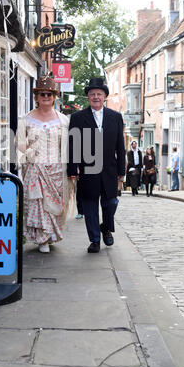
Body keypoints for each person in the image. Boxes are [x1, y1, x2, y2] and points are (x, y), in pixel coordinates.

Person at [67, 77, 125, 253]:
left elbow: (120, 147)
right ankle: (94, 240)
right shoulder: (77, 118)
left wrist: (121, 172)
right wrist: (72, 168)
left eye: (99, 94)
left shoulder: (115, 117)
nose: (96, 97)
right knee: (90, 206)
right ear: (88, 97)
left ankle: (106, 227)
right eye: (92, 94)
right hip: (87, 169)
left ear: (105, 96)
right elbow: (73, 144)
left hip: (109, 169)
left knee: (112, 203)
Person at [16, 75, 72, 253]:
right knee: (38, 204)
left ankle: (51, 235)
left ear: (54, 96)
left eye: (49, 94)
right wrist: (30, 153)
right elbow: (19, 142)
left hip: (56, 169)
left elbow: (68, 145)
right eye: (42, 94)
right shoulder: (26, 118)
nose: (46, 97)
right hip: (35, 169)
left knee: (54, 206)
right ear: (37, 97)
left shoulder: (63, 120)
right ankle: (42, 239)